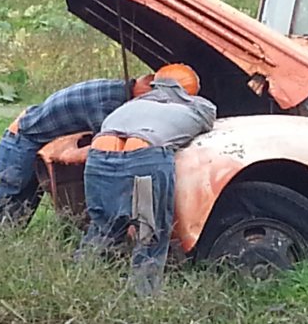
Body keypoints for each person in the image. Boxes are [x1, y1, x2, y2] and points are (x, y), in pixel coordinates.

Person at [80, 63, 216, 296]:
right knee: (148, 235)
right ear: (191, 90)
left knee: (102, 229)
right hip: (143, 161)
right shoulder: (200, 106)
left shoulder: (129, 106)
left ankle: (79, 285)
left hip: (98, 160)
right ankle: (142, 299)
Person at [0, 75, 154, 229]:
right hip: (21, 139)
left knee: (24, 205)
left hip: (33, 136)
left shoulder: (115, 88)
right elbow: (105, 151)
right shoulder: (109, 103)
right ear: (143, 90)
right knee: (8, 199)